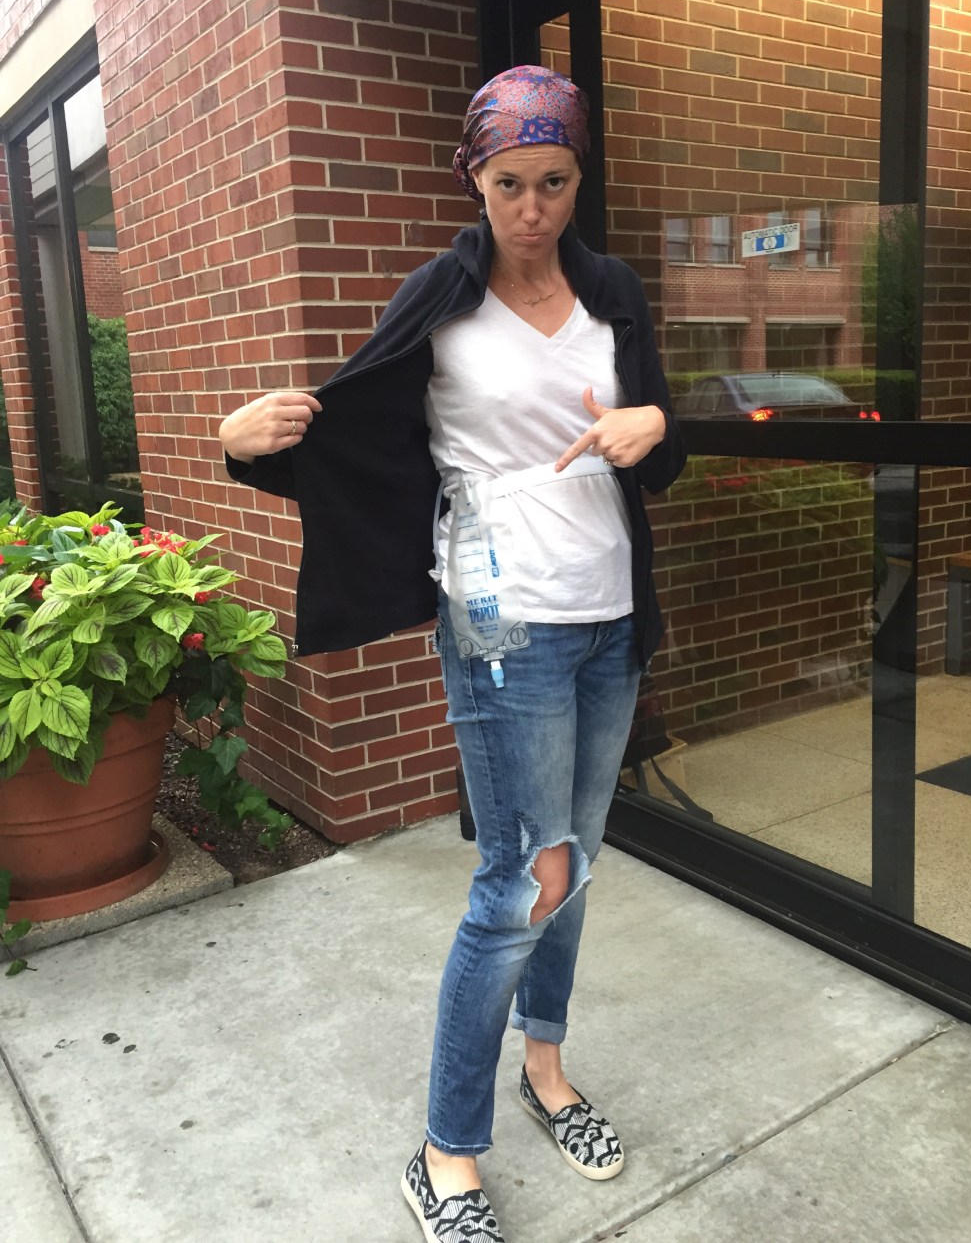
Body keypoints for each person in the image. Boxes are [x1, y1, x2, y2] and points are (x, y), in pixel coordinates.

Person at [219, 65, 686, 1243]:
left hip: (610, 617)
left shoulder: (614, 292)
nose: (532, 207)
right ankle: (445, 1154)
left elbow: (659, 453)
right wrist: (240, 441)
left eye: (554, 181)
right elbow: (348, 432)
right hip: (500, 624)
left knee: (574, 863)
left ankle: (546, 1070)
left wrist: (656, 423)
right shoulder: (443, 293)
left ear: (578, 178)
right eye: (509, 182)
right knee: (519, 880)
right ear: (473, 177)